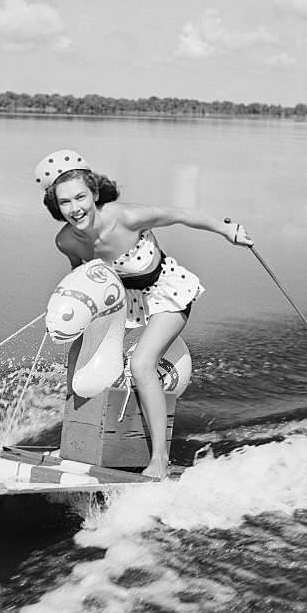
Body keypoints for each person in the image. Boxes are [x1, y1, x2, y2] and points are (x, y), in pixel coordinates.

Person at [35, 149, 253, 479]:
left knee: (141, 365)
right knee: (76, 353)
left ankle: (160, 460)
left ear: (94, 193)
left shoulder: (126, 217)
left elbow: (178, 214)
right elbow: (87, 280)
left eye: (80, 197)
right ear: (56, 205)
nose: (75, 208)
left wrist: (227, 229)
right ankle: (75, 439)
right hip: (124, 303)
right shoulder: (66, 240)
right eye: (65, 202)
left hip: (167, 293)